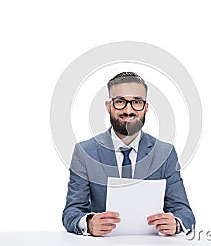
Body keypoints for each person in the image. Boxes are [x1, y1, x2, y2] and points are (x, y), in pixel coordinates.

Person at [62, 72, 195, 236]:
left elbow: (184, 212)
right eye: (120, 102)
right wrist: (88, 223)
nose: (128, 110)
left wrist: (175, 223)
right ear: (108, 106)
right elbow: (71, 211)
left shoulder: (165, 153)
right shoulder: (84, 152)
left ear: (145, 107)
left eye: (136, 102)